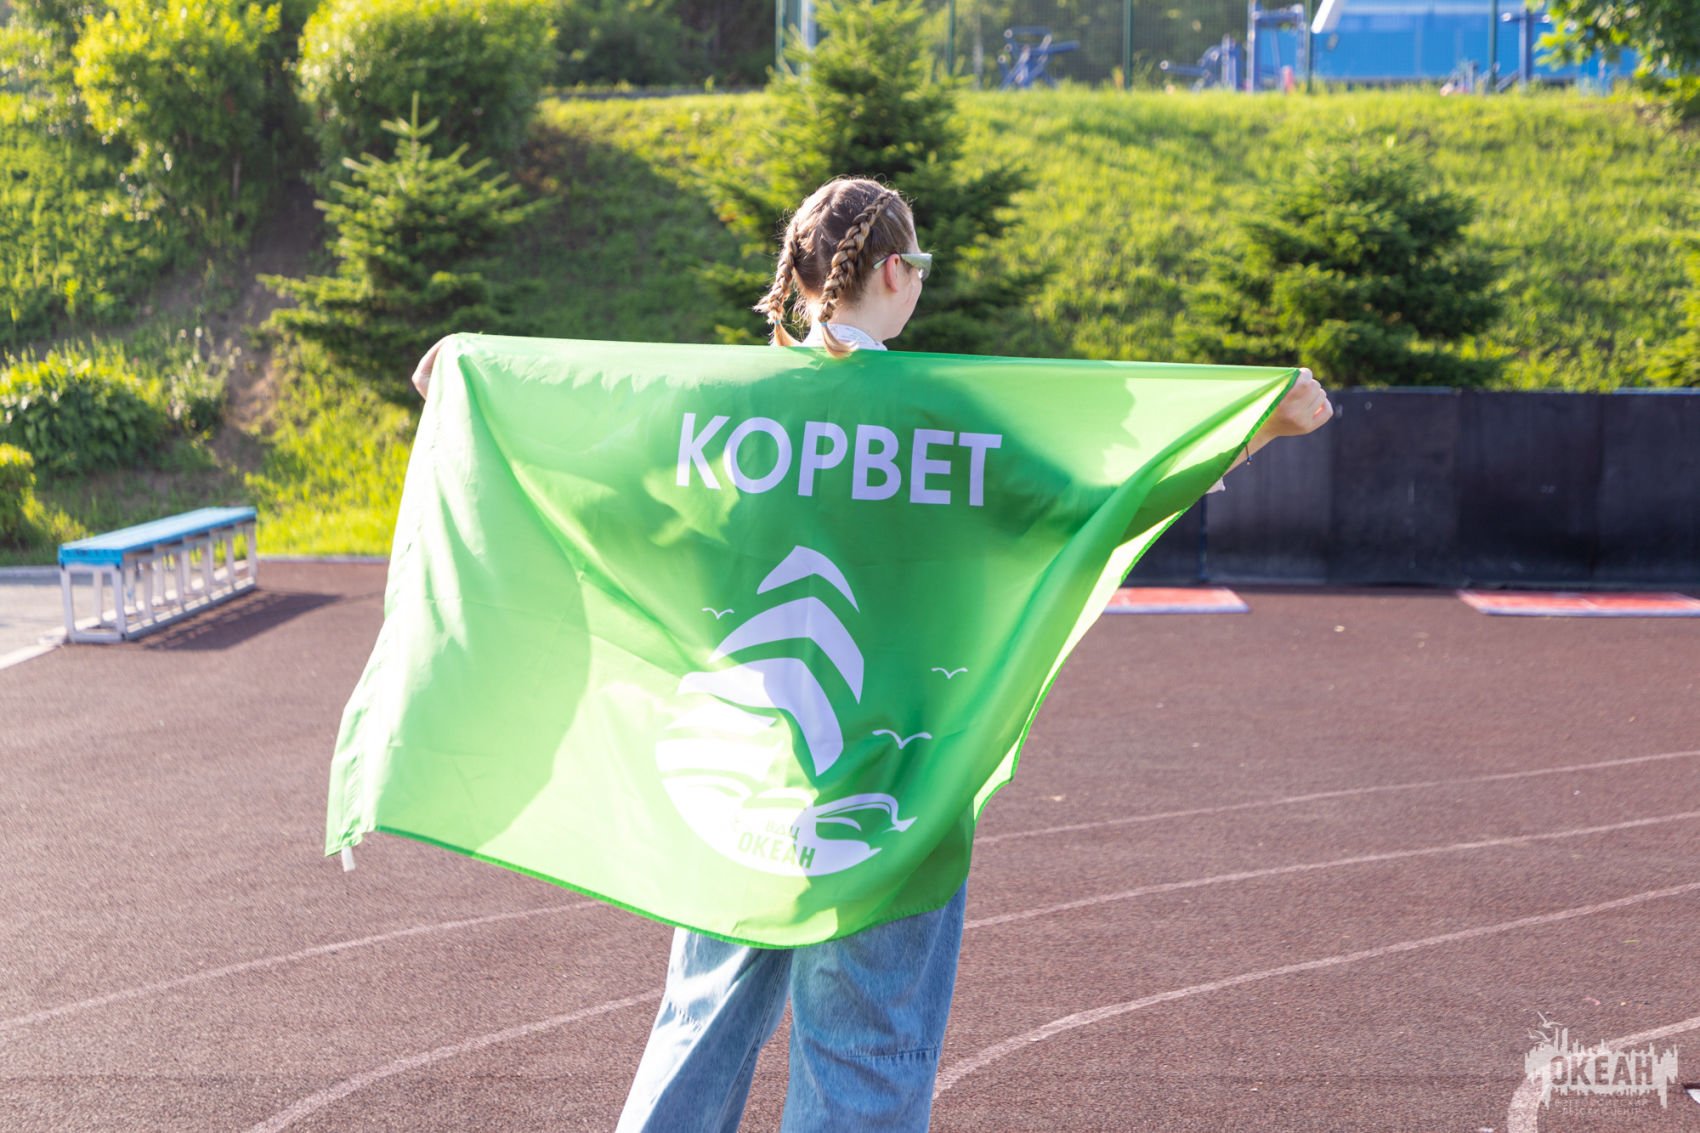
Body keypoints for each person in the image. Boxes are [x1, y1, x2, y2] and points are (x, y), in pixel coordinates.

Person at [409, 176, 1332, 1130]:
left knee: (698, 1027)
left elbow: (591, 474)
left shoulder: (720, 407)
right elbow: (1103, 504)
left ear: (799, 276)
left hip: (739, 778)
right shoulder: (945, 419)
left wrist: (475, 390)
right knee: (865, 1055)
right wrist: (1259, 425)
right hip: (895, 790)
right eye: (919, 263)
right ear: (894, 271)